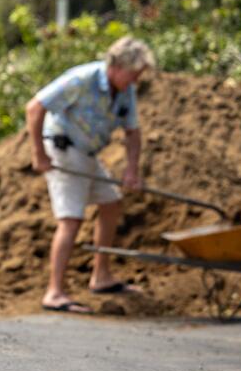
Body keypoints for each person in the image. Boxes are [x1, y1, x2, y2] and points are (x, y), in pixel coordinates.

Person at [24, 36, 156, 314]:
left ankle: (101, 277)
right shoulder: (82, 79)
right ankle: (54, 292)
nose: (135, 81)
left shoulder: (125, 90)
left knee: (111, 204)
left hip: (88, 154)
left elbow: (133, 133)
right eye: (133, 74)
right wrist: (39, 153)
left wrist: (132, 170)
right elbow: (35, 107)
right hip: (63, 149)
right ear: (117, 66)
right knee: (71, 220)